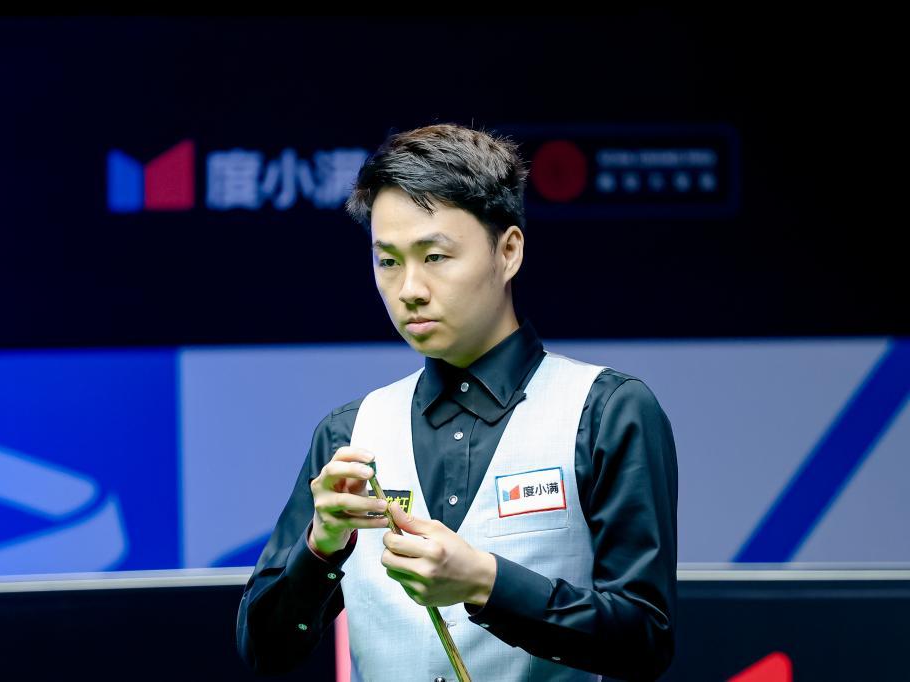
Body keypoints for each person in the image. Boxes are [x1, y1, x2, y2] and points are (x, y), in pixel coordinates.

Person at [237, 123, 678, 681]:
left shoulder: (606, 411)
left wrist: (486, 583)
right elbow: (265, 652)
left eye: (435, 256)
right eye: (388, 261)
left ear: (508, 251)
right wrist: (320, 549)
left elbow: (644, 642)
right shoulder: (350, 433)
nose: (410, 289)